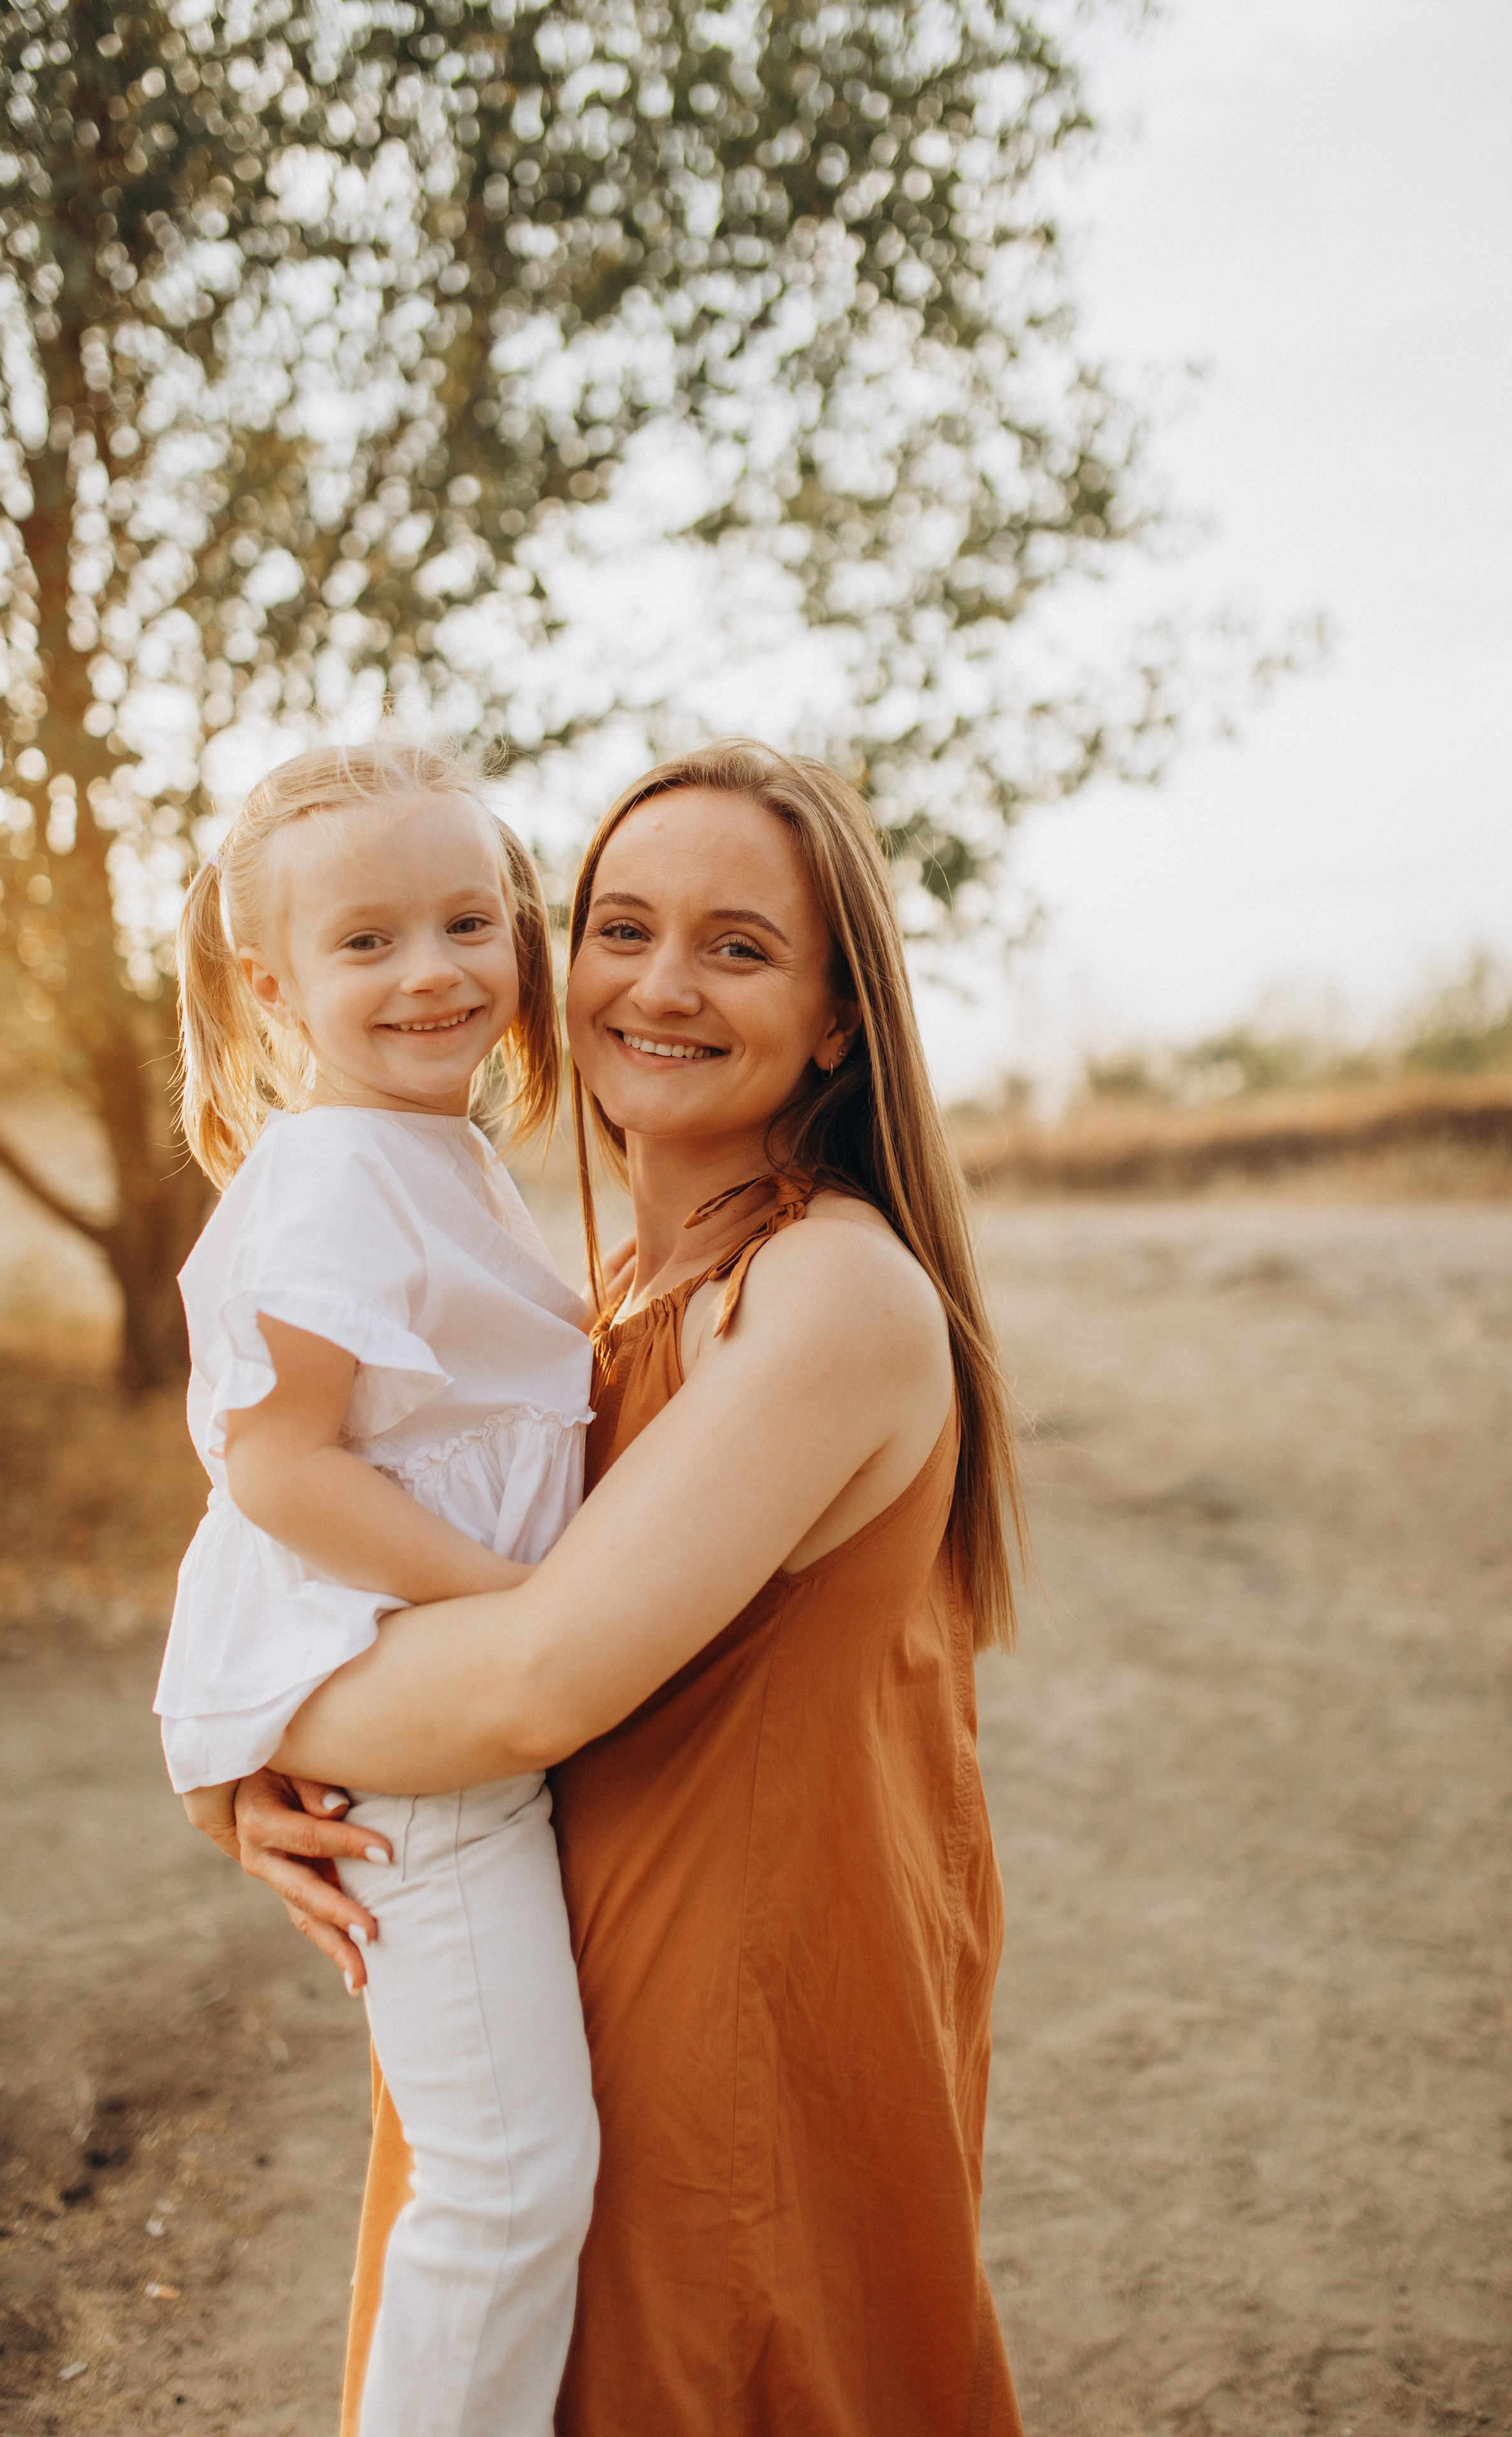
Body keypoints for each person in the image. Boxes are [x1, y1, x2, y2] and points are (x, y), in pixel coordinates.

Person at [214, 740, 1029, 2436]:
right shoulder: (605, 1290)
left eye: (737, 946)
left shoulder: (829, 1295)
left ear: (836, 1016)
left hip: (723, 1999)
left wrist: (251, 1717)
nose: (658, 984)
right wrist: (247, 1774)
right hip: (557, 1954)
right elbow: (306, 1484)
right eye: (620, 926)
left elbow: (529, 1680)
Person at [162, 741, 601, 2437]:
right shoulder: (334, 1171)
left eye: (466, 922)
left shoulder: (437, 1153)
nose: (431, 971)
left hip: (448, 1710)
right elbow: (279, 1467)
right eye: (367, 944)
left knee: (515, 2173)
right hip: (421, 1739)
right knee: (504, 2190)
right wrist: (512, 1609)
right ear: (274, 982)